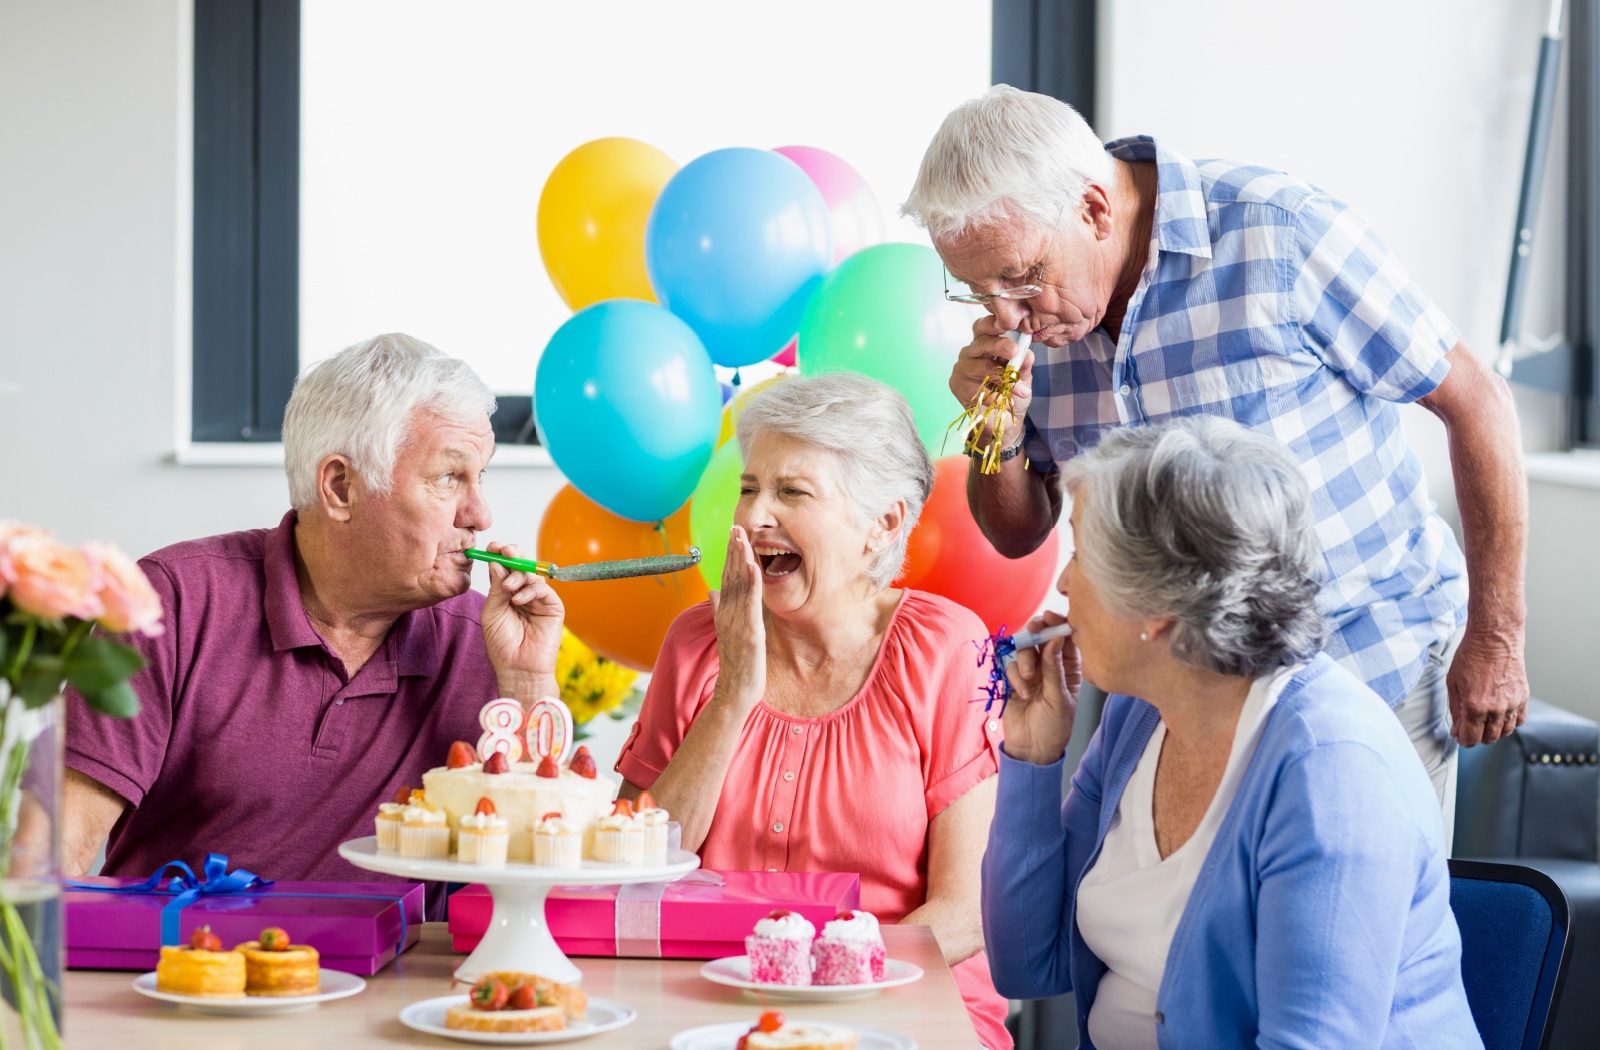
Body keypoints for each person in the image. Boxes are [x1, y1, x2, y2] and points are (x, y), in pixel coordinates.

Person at [903, 85, 1530, 831]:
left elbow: (1477, 402)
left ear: (1096, 210)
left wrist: (1496, 634)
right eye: (979, 291)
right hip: (1170, 704)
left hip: (1364, 662)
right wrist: (995, 433)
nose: (1007, 317)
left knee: (1350, 938)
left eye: (1021, 277)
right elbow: (1017, 533)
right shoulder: (1037, 324)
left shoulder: (1279, 233)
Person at [984, 415, 1481, 1048]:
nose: (1061, 583)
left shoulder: (1333, 770)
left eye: (1081, 553)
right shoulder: (1141, 714)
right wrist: (1032, 755)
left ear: (1158, 604)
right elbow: (1029, 962)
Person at [63, 334, 564, 916]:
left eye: (481, 478)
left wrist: (528, 684)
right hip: (182, 980)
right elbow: (61, 844)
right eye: (449, 478)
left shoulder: (482, 637)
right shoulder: (169, 602)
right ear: (340, 487)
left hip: (396, 989)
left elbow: (542, 869)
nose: (480, 515)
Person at [615, 373, 1010, 1049]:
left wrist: (817, 991)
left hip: (906, 1002)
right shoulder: (696, 642)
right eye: (748, 488)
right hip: (712, 1005)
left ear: (881, 525)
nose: (752, 516)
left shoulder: (947, 647)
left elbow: (966, 911)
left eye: (791, 492)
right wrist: (736, 689)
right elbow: (635, 871)